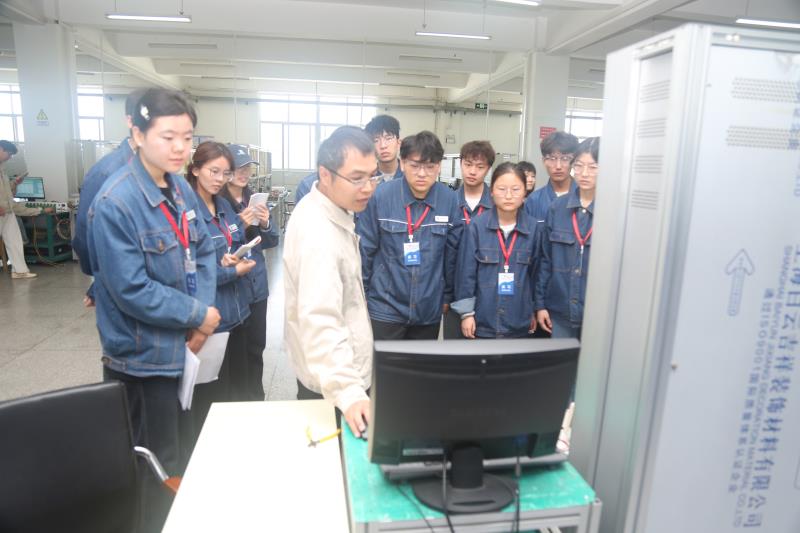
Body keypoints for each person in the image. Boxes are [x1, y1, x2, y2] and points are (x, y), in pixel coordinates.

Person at [87, 88, 218, 531]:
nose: (180, 148)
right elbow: (131, 289)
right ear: (137, 134)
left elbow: (203, 250)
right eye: (168, 137)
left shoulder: (178, 187)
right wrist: (196, 315)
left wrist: (202, 312)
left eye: (187, 137)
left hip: (180, 350)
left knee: (178, 457)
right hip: (142, 361)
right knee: (153, 467)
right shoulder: (116, 202)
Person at [284, 126, 380, 438]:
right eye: (357, 178)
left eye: (373, 176)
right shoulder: (318, 233)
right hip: (335, 383)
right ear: (325, 174)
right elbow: (320, 318)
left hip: (337, 370)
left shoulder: (333, 211)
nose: (368, 188)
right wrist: (349, 392)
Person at [357, 131, 462, 340]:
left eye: (430, 167)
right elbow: (365, 250)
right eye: (415, 166)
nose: (422, 174)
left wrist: (447, 296)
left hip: (428, 309)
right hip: (385, 306)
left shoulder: (449, 200)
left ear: (439, 167)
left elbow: (452, 256)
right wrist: (361, 294)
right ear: (403, 163)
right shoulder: (380, 197)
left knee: (420, 362)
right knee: (385, 362)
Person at [185, 142, 255, 448]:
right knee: (209, 396)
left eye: (225, 173)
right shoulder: (187, 212)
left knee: (235, 390)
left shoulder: (224, 206)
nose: (219, 179)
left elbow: (234, 242)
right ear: (195, 169)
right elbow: (190, 272)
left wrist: (235, 256)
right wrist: (230, 271)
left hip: (237, 312)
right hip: (211, 318)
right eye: (213, 171)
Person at [220, 143, 280, 401]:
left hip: (258, 288)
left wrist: (265, 223)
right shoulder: (218, 204)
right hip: (235, 288)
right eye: (238, 168)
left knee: (256, 347)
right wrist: (239, 224)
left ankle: (257, 398)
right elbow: (218, 247)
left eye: (247, 168)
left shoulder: (253, 199)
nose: (244, 173)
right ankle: (239, 402)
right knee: (237, 354)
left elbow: (272, 241)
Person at [452, 163, 539, 338]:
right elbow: (466, 273)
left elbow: (536, 274)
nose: (508, 195)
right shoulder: (476, 226)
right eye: (502, 189)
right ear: (491, 191)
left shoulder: (533, 228)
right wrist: (467, 314)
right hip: (482, 321)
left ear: (525, 192)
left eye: (515, 189)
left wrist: (533, 309)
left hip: (519, 320)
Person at [73, 88, 147, 296]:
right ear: (131, 121)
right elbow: (84, 234)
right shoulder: (107, 172)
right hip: (117, 279)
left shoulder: (158, 171)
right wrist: (101, 275)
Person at [535, 137, 600, 339]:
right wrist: (540, 304)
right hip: (560, 310)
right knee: (561, 358)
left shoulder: (615, 211)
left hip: (597, 313)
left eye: (593, 167)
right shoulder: (558, 207)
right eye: (579, 166)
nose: (584, 173)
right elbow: (546, 260)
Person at [442, 140, 495, 339]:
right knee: (454, 352)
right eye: (468, 164)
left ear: (488, 169)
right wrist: (445, 295)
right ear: (460, 163)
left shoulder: (496, 205)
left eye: (480, 167)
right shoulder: (448, 202)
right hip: (453, 294)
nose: (472, 171)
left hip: (488, 295)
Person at [294, 114, 402, 203]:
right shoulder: (308, 186)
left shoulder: (407, 177)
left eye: (388, 138)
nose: (383, 145)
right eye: (376, 140)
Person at [0, 140, 53, 279]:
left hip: (7, 211)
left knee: (15, 241)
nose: (9, 157)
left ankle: (20, 271)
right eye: (9, 154)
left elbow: (5, 191)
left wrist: (14, 183)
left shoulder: (2, 168)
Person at [523, 131, 578, 222]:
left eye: (565, 159)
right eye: (552, 159)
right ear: (544, 161)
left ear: (574, 161)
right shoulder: (533, 201)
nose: (558, 166)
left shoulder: (585, 197)